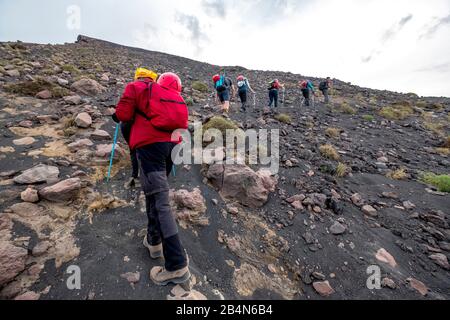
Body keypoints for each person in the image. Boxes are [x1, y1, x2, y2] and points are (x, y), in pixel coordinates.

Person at [115, 70, 190, 286]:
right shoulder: (176, 98)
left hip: (150, 147)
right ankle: (154, 241)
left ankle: (176, 265)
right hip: (172, 149)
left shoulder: (139, 87)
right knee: (153, 195)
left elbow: (123, 116)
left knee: (160, 202)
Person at [113, 68, 158, 189]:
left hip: (131, 124)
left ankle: (136, 176)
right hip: (153, 125)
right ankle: (153, 175)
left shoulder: (133, 86)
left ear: (138, 77)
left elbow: (124, 112)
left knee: (134, 150)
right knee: (150, 150)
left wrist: (116, 116)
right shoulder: (158, 89)